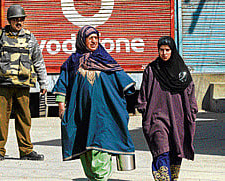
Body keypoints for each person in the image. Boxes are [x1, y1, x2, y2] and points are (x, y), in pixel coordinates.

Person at [52, 25, 136, 180]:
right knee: (85, 148)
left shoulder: (106, 60)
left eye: (96, 38)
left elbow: (124, 82)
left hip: (104, 113)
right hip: (81, 113)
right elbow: (62, 84)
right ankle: (93, 177)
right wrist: (61, 106)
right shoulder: (73, 62)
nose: (93, 41)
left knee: (101, 145)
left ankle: (101, 178)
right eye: (90, 38)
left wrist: (131, 102)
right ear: (82, 40)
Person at [0, 4, 48, 162]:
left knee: (25, 118)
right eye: (15, 19)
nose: (19, 22)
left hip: (22, 85)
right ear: (9, 20)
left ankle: (26, 150)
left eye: (21, 19)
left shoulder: (30, 38)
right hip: (2, 85)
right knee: (1, 119)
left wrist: (44, 83)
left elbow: (38, 60)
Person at [136, 36, 198, 181]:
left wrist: (192, 111)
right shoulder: (152, 70)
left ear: (172, 51)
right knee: (161, 151)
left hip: (178, 119)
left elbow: (190, 93)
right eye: (161, 50)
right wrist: (143, 109)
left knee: (176, 151)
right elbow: (144, 93)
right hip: (156, 119)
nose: (164, 53)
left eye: (167, 50)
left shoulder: (182, 72)